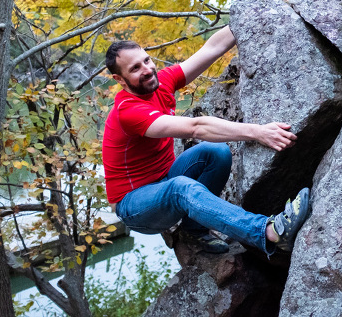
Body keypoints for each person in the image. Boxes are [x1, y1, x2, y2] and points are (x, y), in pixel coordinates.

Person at [102, 16, 311, 256]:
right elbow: (195, 127)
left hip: (166, 180)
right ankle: (269, 232)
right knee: (180, 188)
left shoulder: (161, 84)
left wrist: (253, 10)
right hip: (135, 206)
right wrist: (258, 132)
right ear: (119, 79)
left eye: (147, 60)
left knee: (217, 151)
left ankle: (193, 229)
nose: (148, 70)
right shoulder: (128, 111)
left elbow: (212, 49)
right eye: (135, 68)